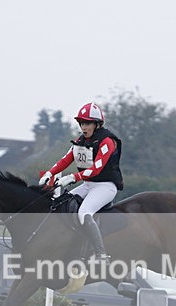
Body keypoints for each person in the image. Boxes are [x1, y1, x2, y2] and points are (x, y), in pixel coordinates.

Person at [39, 102, 123, 261]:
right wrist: (50, 173)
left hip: (105, 187)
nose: (84, 127)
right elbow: (65, 160)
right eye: (81, 123)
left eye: (87, 123)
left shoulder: (107, 141)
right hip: (88, 185)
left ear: (97, 124)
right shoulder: (80, 141)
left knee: (84, 213)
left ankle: (101, 255)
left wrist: (72, 178)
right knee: (60, 204)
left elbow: (96, 169)